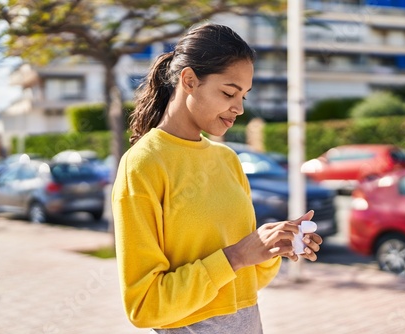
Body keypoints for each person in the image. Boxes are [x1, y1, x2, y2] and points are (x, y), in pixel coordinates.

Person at [112, 22, 323, 333]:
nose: (238, 108)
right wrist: (235, 256)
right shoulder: (143, 164)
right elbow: (143, 306)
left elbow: (244, 280)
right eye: (228, 92)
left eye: (244, 97)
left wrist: (271, 248)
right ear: (189, 80)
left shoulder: (227, 160)